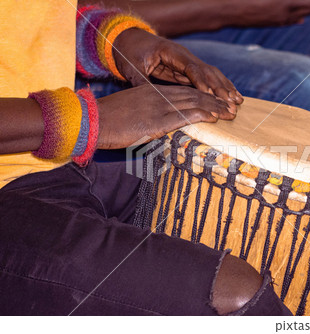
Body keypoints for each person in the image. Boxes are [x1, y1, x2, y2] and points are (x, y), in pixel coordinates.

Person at [0, 1, 291, 315]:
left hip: (55, 167)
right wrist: (86, 120)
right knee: (232, 295)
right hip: (19, 185)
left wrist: (117, 40)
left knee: (258, 209)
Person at [85, 0, 310, 143]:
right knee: (304, 84)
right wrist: (231, 8)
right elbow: (79, 20)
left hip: (236, 17)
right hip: (127, 41)